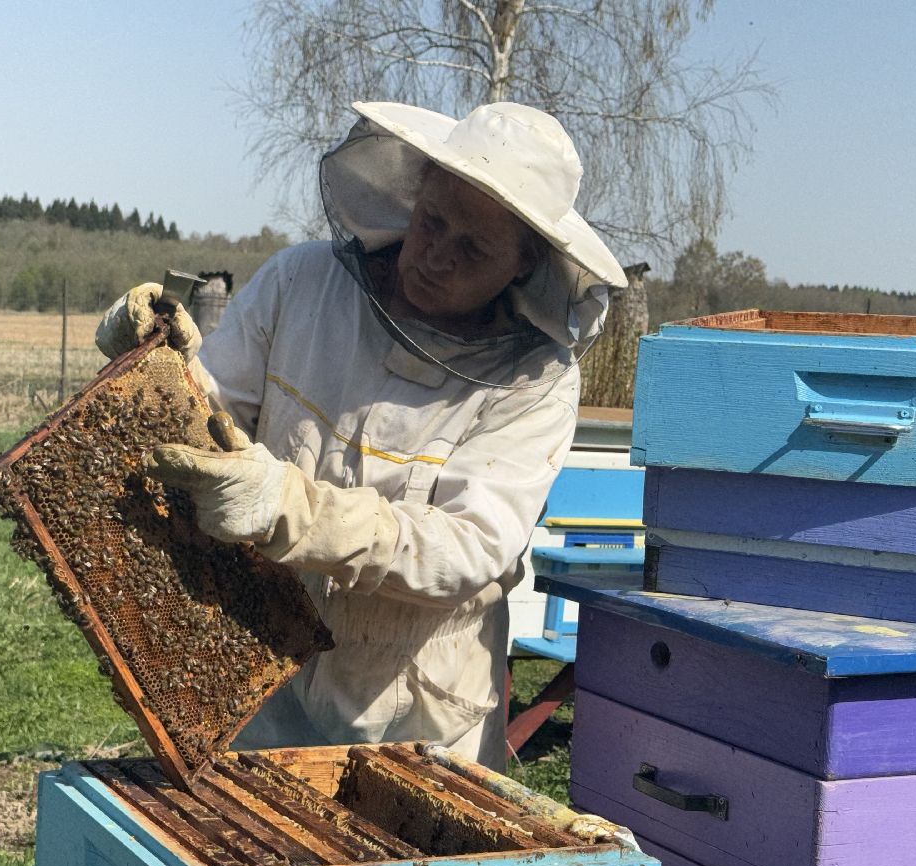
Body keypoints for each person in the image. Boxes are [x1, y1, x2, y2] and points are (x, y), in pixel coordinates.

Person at [96, 101, 626, 772]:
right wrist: (156, 365)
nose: (437, 255)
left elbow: (468, 548)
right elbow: (210, 418)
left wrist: (293, 509)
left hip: (416, 717)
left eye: (473, 249)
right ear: (415, 196)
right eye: (432, 221)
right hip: (261, 675)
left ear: (523, 265)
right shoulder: (302, 283)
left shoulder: (536, 383)